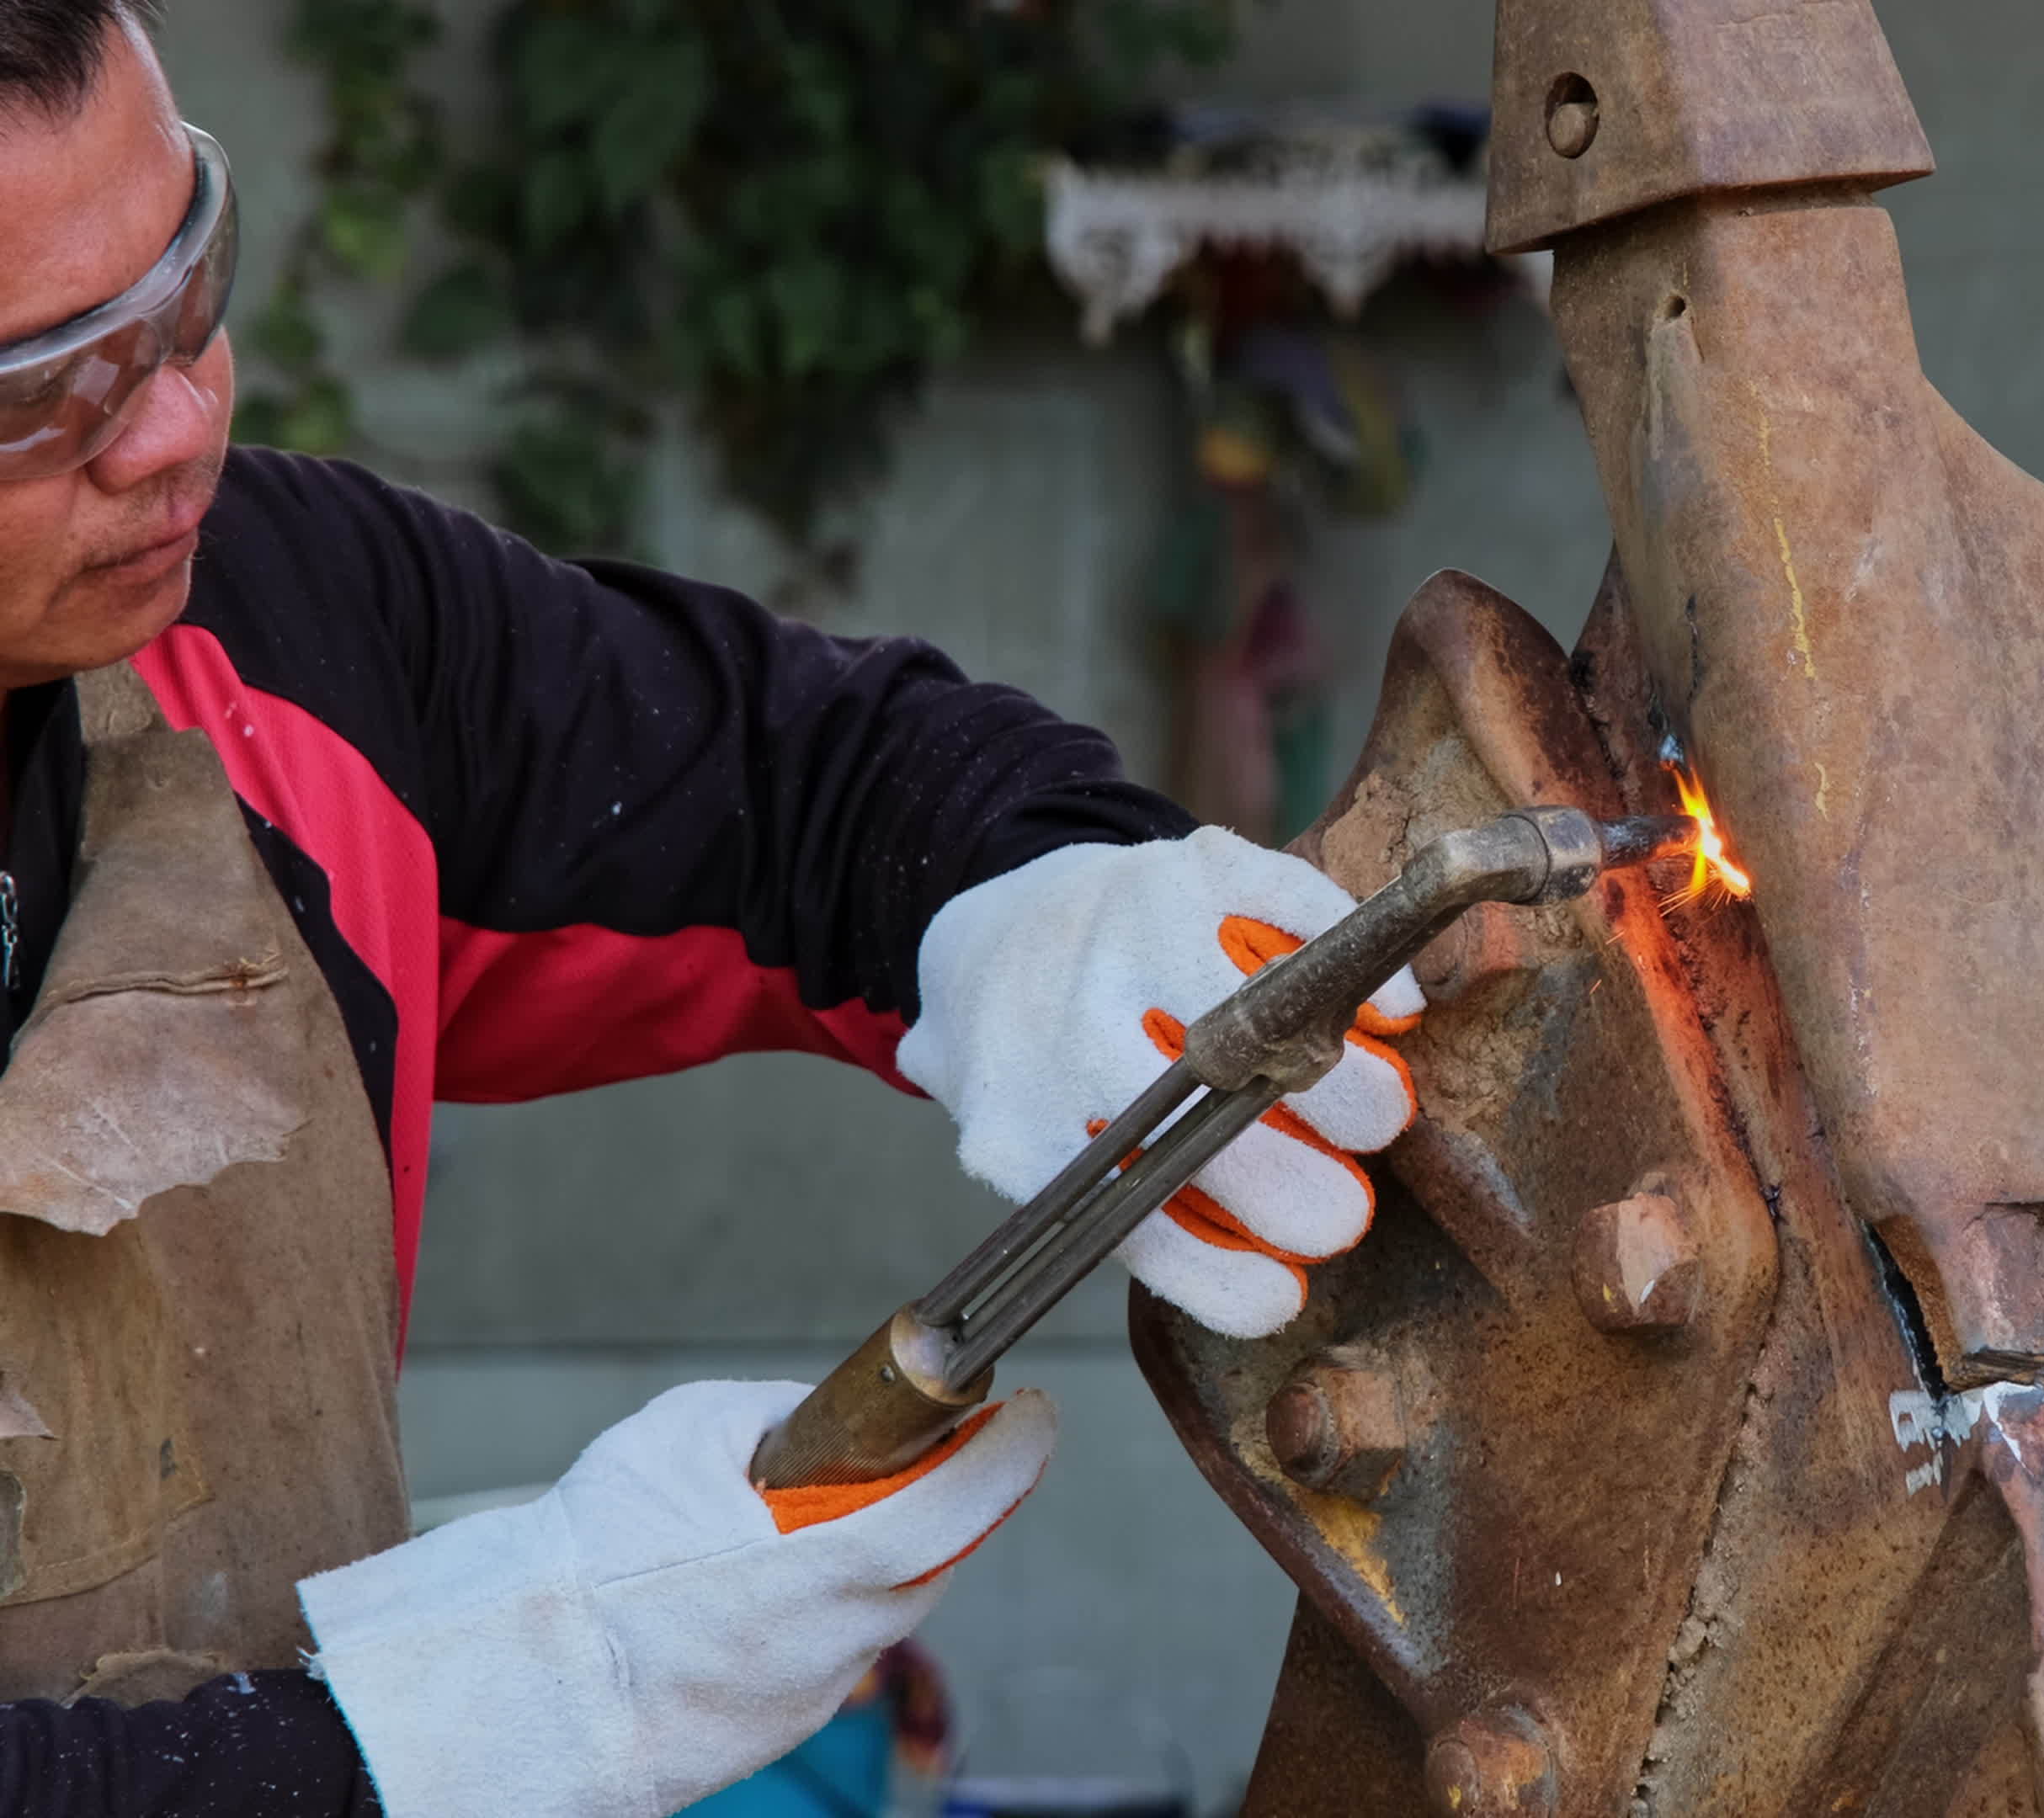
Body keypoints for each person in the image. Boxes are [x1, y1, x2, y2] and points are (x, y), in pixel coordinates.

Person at [0, 3, 1423, 1813]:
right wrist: (454, 1727)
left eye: (186, 294)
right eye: (53, 388)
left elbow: (810, 780)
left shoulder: (285, 643)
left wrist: (1043, 904)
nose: (181, 428)